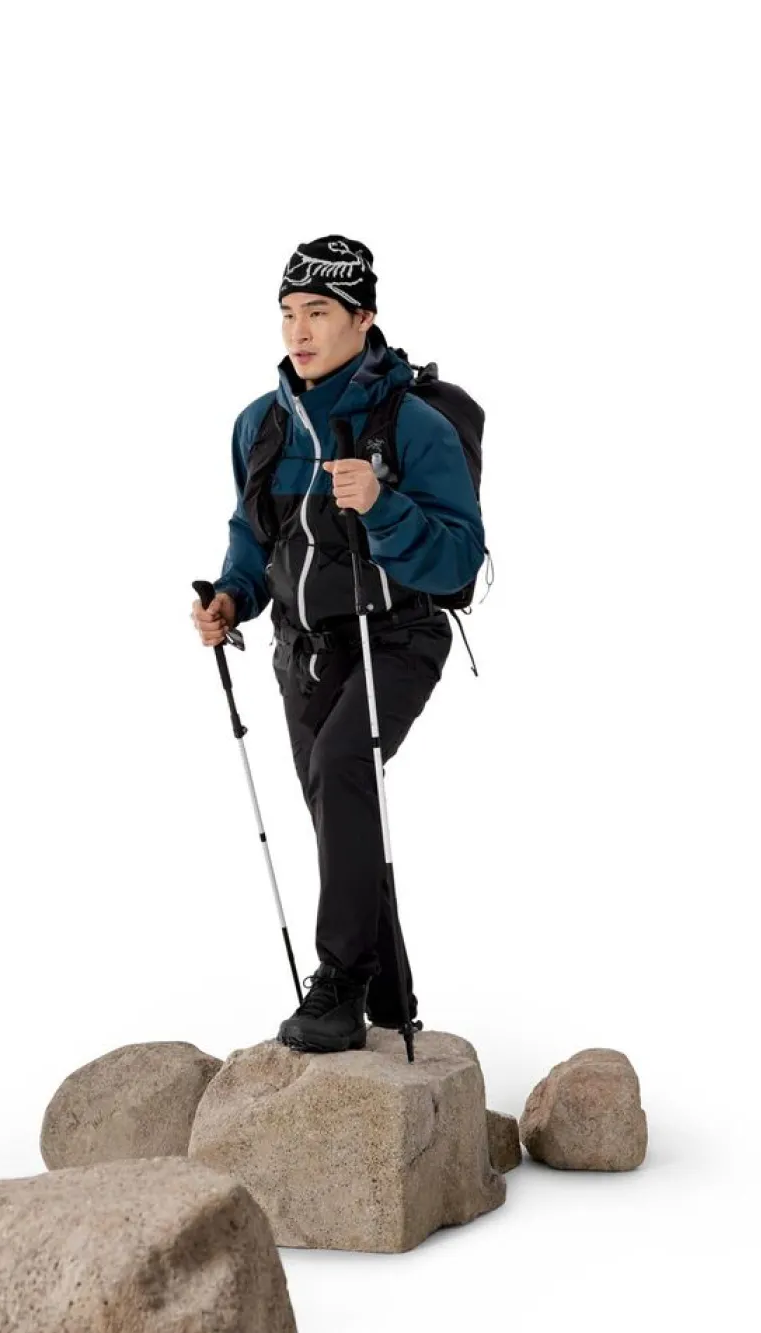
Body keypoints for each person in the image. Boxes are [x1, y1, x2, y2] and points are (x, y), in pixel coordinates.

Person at [191, 234, 485, 1054]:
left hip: (396, 636)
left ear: (364, 317)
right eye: (288, 312)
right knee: (338, 808)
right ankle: (390, 997)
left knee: (342, 764)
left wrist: (382, 505)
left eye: (318, 311)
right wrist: (231, 598)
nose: (299, 330)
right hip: (305, 650)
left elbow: (460, 561)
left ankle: (340, 984)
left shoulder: (414, 426)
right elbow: (253, 541)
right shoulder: (260, 425)